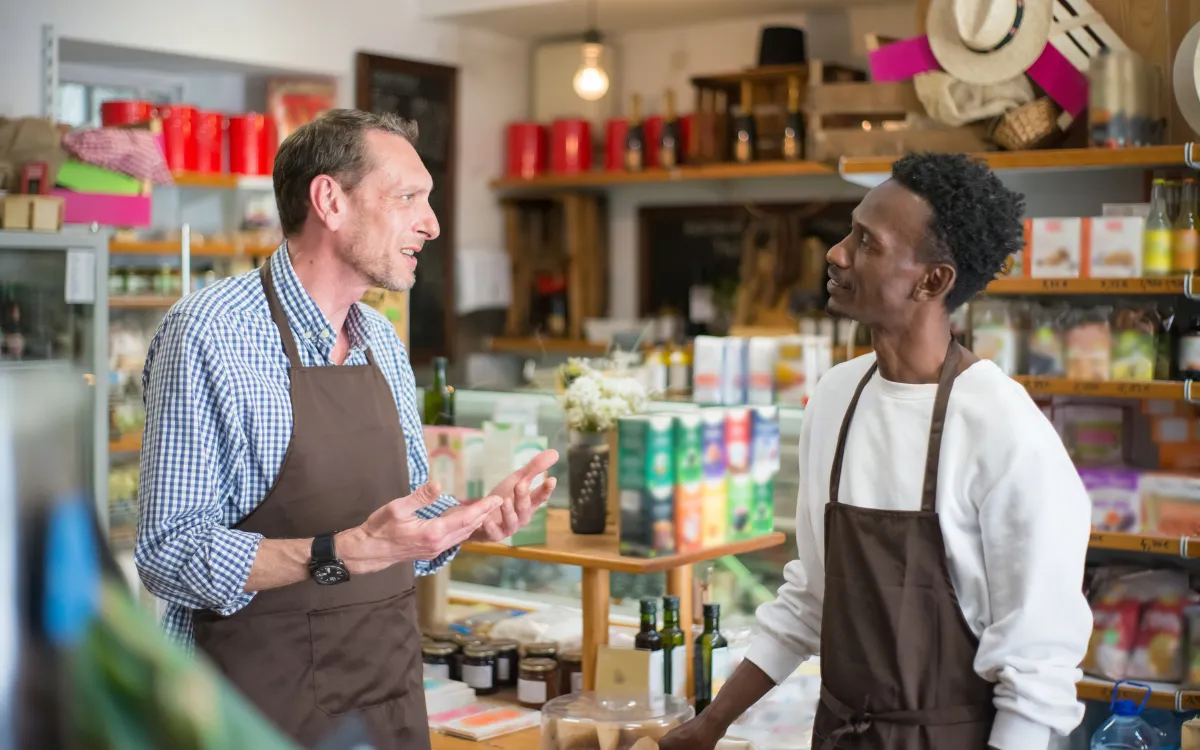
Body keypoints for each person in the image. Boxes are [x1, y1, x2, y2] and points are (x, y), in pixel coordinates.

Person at [135, 109, 559, 750]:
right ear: (330, 200)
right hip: (250, 714)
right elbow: (168, 553)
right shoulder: (210, 334)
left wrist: (472, 515)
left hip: (387, 704)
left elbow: (400, 523)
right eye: (409, 197)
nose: (432, 223)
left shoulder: (381, 342)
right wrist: (339, 552)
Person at [660, 153, 1092, 750]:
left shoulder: (1001, 427)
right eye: (848, 231)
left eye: (867, 243)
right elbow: (813, 597)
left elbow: (1037, 670)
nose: (836, 253)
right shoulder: (838, 396)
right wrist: (710, 725)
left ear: (932, 280)